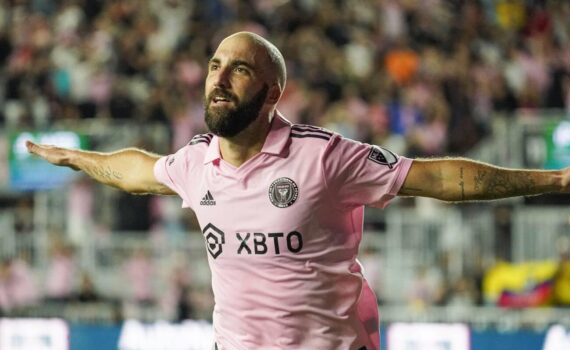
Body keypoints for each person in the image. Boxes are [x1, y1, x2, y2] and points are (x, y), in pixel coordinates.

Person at [27, 32, 569, 350]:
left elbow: (440, 178)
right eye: (215, 66)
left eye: (238, 71)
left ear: (272, 94)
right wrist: (77, 157)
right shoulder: (196, 162)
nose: (218, 79)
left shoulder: (324, 156)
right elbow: (136, 171)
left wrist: (557, 179)